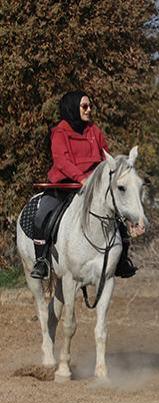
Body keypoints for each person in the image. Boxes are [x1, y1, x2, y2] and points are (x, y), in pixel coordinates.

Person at [30, 91, 137, 279]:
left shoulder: (94, 130)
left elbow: (105, 157)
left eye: (90, 106)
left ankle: (122, 261)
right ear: (72, 108)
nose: (89, 110)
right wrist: (81, 179)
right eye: (84, 106)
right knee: (42, 215)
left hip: (93, 188)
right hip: (64, 187)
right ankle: (42, 261)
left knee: (119, 217)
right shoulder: (59, 132)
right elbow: (61, 161)